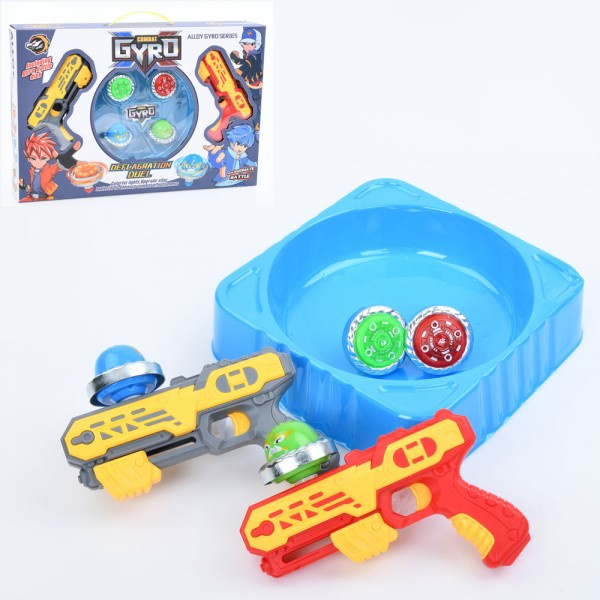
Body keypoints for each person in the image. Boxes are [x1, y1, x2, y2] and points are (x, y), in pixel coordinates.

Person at [19, 132, 61, 201]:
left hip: (46, 198)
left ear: (49, 157)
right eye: (33, 158)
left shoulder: (50, 169)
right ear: (29, 159)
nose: (38, 162)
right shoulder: (32, 170)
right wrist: (24, 186)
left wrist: (56, 155)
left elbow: (62, 163)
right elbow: (34, 188)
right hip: (31, 197)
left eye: (43, 158)